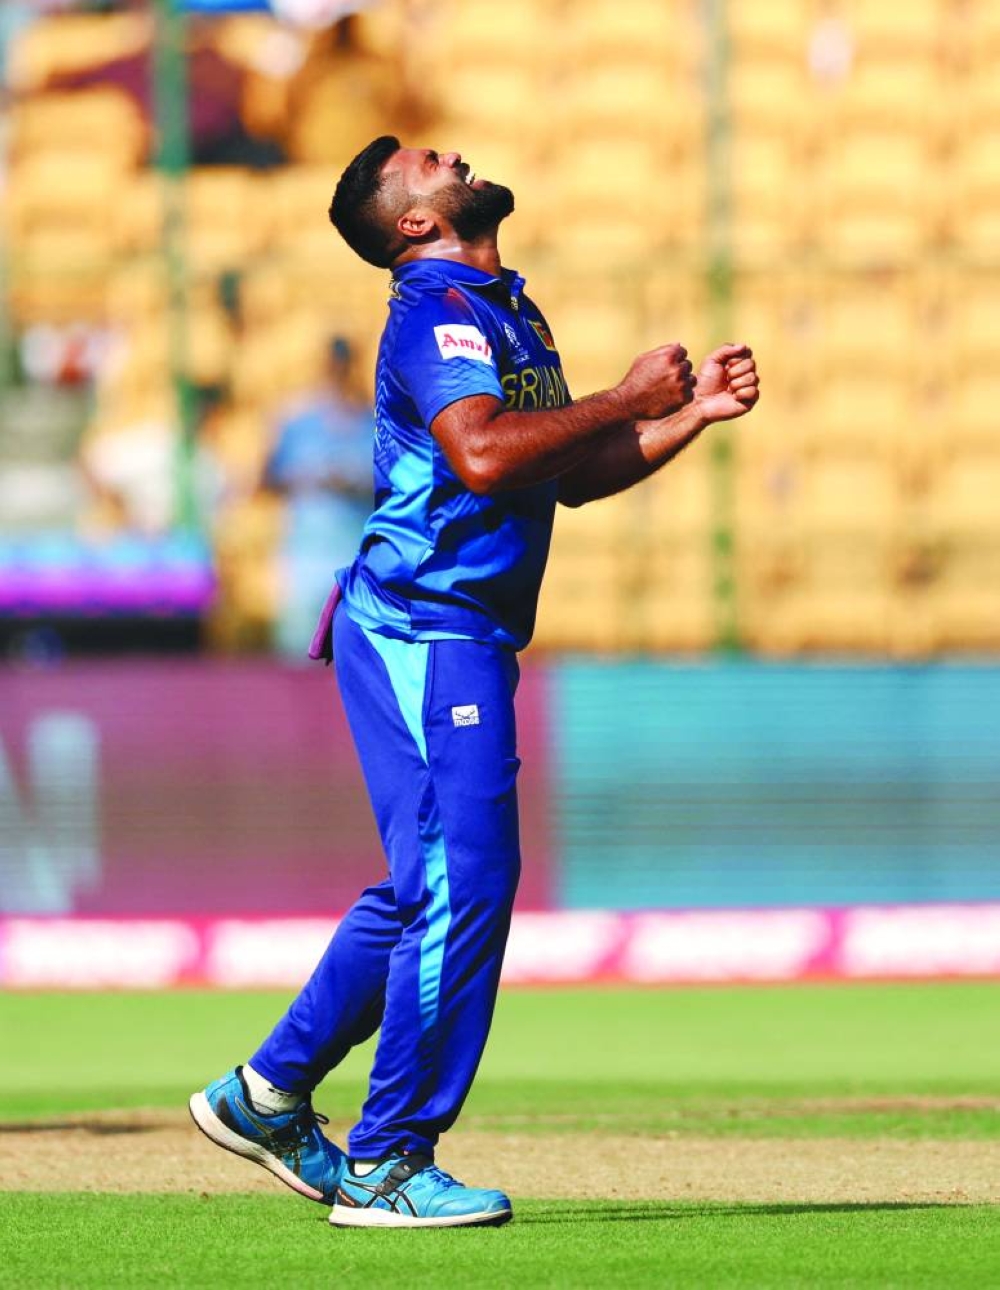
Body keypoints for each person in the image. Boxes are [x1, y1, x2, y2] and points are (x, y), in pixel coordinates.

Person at [189, 135, 760, 1229]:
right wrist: (622, 391)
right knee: (462, 881)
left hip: (461, 629)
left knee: (427, 885)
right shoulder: (435, 310)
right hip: (422, 623)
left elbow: (570, 474)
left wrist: (682, 417)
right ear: (411, 223)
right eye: (423, 164)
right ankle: (390, 1162)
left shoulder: (506, 308)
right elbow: (486, 458)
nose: (448, 153)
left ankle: (266, 1095)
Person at [264, 337, 372, 660]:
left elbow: (390, 486)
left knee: (353, 659)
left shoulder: (372, 425)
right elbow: (266, 478)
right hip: (304, 557)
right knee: (298, 659)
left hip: (356, 557)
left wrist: (352, 484)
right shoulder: (298, 424)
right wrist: (304, 477)